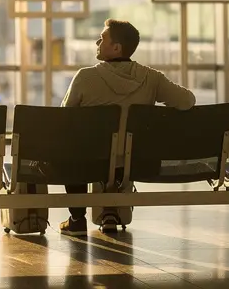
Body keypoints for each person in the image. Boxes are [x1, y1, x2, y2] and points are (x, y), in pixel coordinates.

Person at [58, 18, 195, 236]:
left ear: (116, 47)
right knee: (117, 157)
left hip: (89, 164)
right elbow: (187, 101)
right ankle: (111, 210)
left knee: (73, 151)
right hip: (136, 163)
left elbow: (62, 119)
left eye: (102, 38)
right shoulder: (151, 78)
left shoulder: (85, 77)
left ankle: (77, 219)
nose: (97, 42)